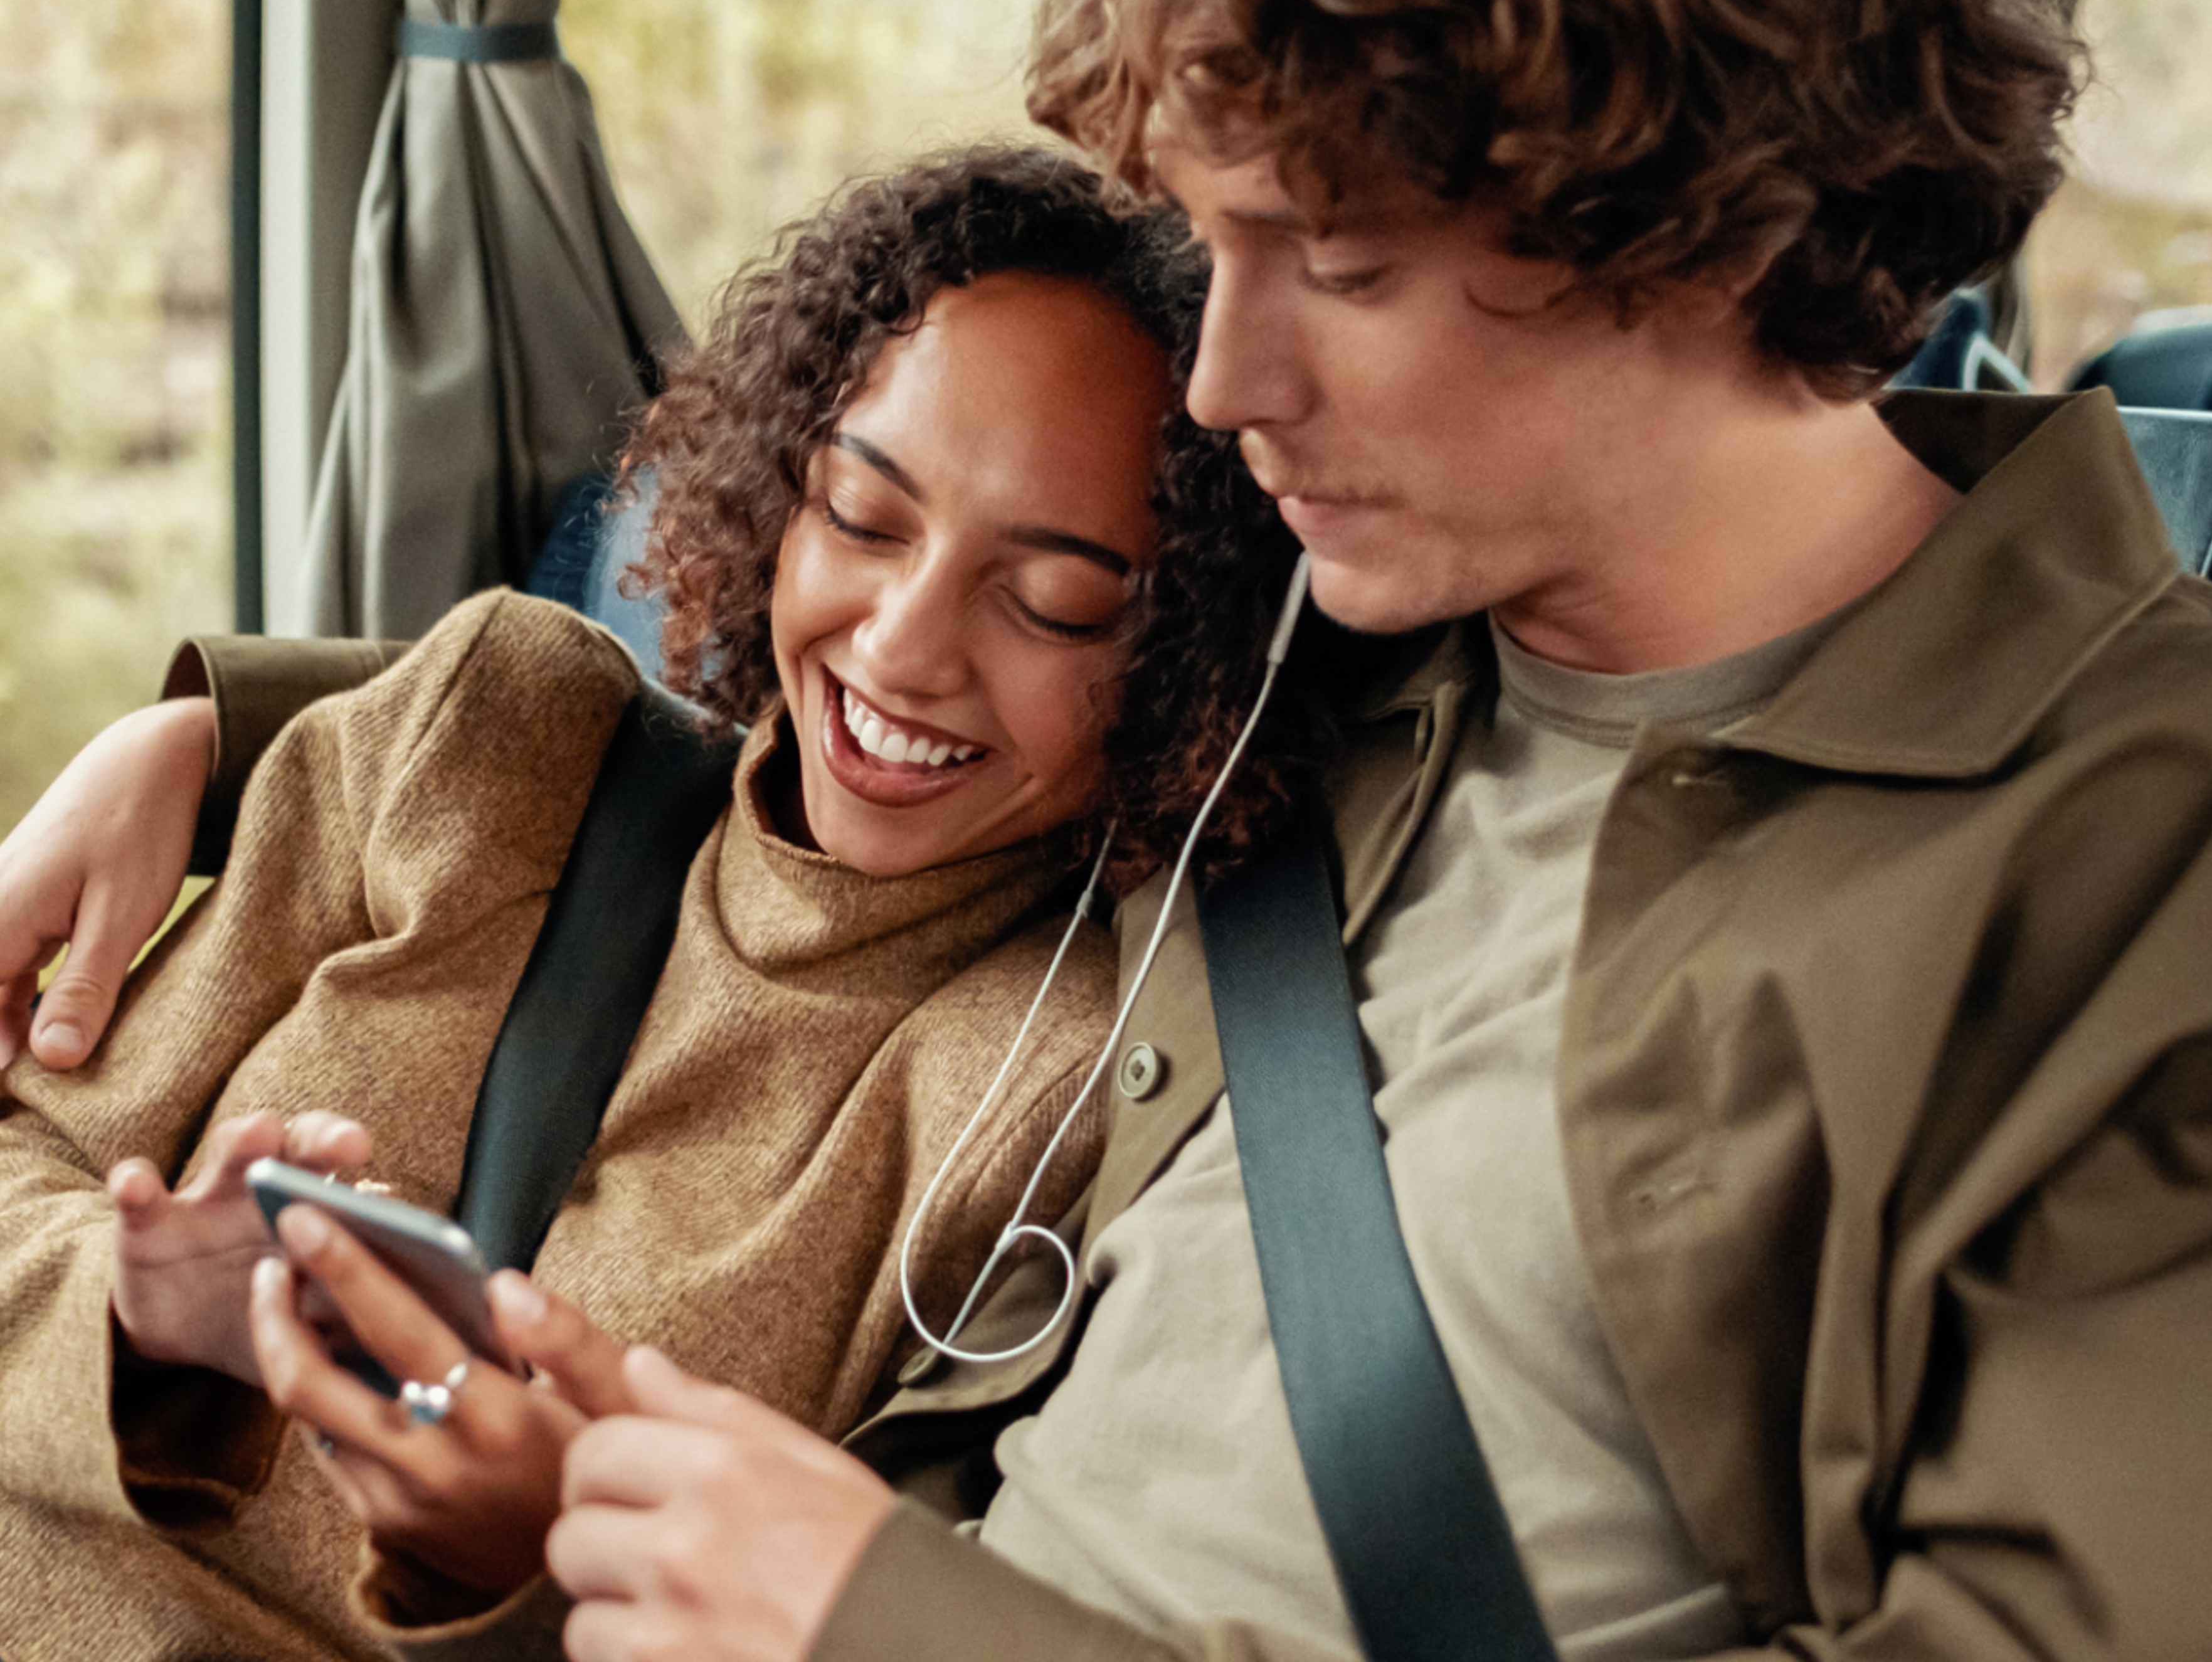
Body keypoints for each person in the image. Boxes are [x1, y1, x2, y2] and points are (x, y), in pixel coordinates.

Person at [11, 0, 2212, 1658]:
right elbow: (758, 712)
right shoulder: (1330, 672)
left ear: (1690, 227)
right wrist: (209, 732)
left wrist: (873, 1625)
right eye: (1209, 244)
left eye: (1330, 266)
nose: (1229, 385)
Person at [0, 145, 1318, 1661]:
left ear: (1196, 656)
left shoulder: (1051, 1104)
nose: (902, 648)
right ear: (775, 493)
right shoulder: (487, 737)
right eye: (864, 517)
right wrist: (141, 1315)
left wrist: (534, 1565)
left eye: (1055, 602)